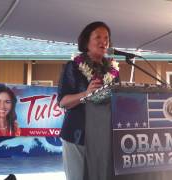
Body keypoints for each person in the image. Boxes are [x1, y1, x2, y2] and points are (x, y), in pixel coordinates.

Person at [57, 21, 120, 180]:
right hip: (78, 134)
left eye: (106, 37)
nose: (103, 41)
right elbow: (63, 102)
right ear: (86, 42)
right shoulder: (73, 67)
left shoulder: (113, 71)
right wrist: (86, 93)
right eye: (98, 37)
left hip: (104, 137)